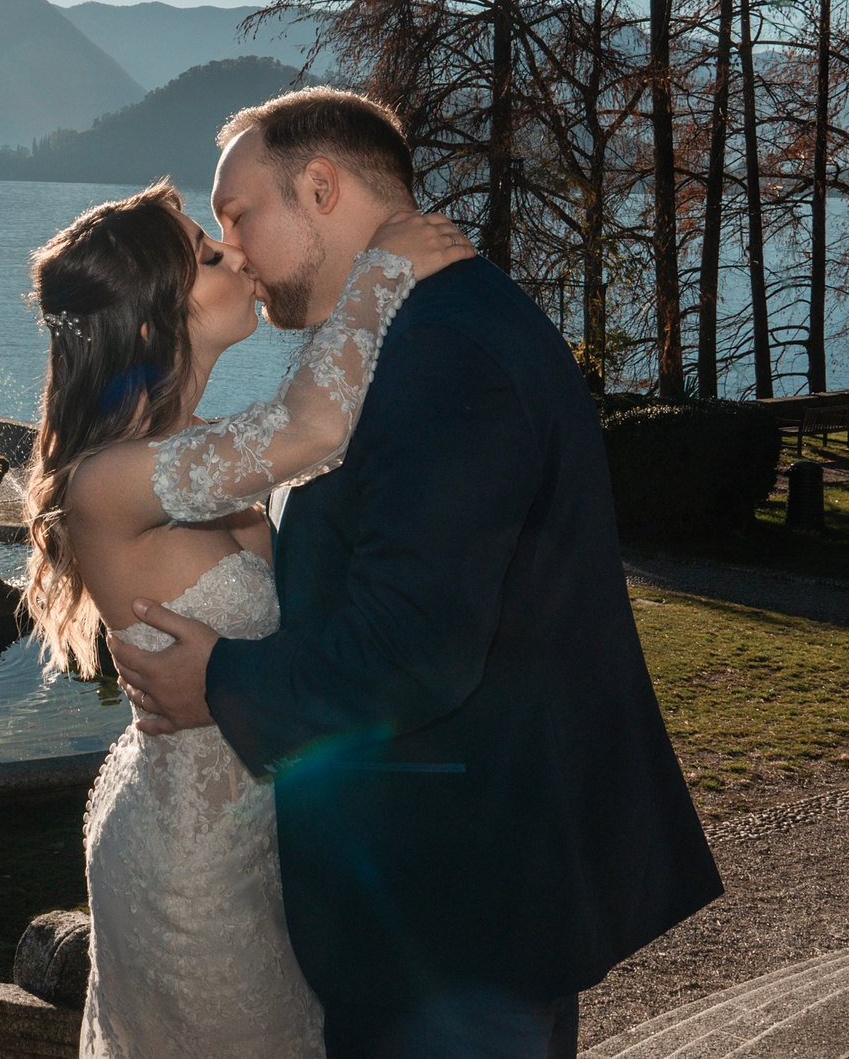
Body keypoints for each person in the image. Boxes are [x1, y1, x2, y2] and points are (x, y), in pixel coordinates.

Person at [106, 88, 720, 1059]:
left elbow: (416, 646)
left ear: (320, 188)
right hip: (447, 901)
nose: (233, 249)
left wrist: (218, 679)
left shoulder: (442, 354)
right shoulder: (416, 331)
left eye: (238, 214)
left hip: (454, 917)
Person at [21, 175, 471, 1056]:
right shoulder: (108, 480)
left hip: (260, 833)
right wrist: (380, 268)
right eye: (205, 253)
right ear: (150, 323)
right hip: (189, 870)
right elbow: (313, 430)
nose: (236, 254)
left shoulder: (200, 445)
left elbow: (319, 441)